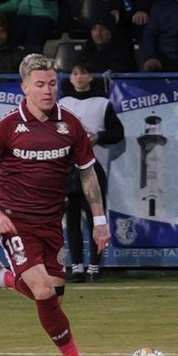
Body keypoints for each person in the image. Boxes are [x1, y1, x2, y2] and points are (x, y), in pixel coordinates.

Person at [0, 52, 109, 356]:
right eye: (40, 85)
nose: (48, 91)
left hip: (51, 223)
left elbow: (88, 174)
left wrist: (100, 220)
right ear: (24, 88)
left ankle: (2, 277)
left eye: (52, 84)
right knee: (43, 292)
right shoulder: (8, 127)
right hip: (16, 221)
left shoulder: (70, 125)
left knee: (52, 295)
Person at [59, 61, 124, 282]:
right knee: (73, 218)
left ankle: (95, 267)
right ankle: (76, 266)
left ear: (90, 77)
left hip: (94, 168)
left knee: (96, 218)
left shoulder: (102, 104)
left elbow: (117, 133)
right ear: (70, 78)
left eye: (83, 72)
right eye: (74, 73)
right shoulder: (63, 104)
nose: (78, 77)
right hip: (69, 169)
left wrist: (98, 137)